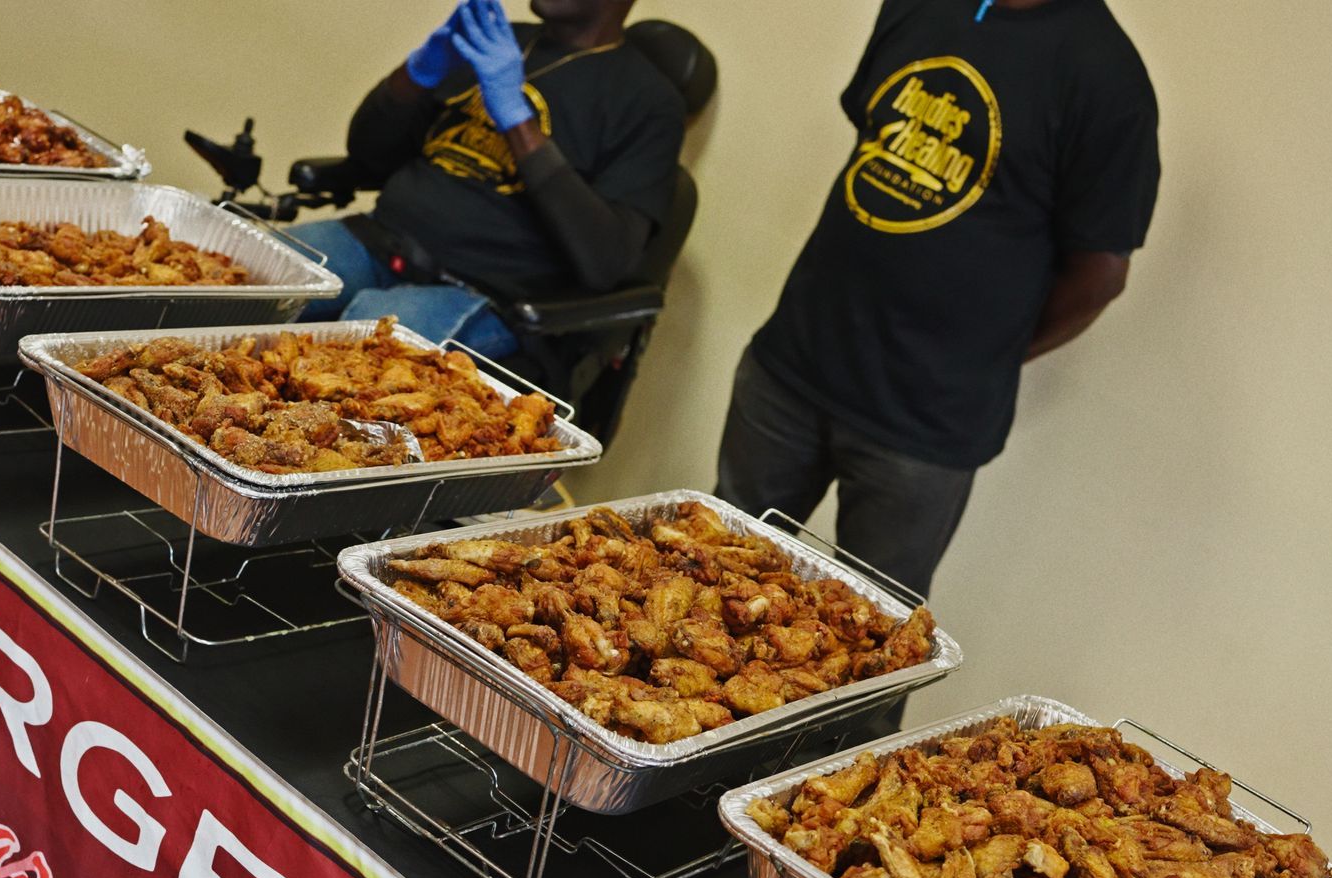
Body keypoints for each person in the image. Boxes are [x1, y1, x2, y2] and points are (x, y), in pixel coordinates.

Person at [716, 0, 1160, 601]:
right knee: (700, 582)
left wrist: (984, 355)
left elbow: (1100, 274)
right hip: (792, 366)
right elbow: (875, 145)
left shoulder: (1108, 77)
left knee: (869, 654)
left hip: (922, 428)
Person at [291, 0, 686, 358]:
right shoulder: (500, 39)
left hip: (479, 293)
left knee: (354, 353)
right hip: (377, 241)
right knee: (241, 284)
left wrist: (517, 121)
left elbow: (606, 261)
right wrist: (417, 73)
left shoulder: (649, 103)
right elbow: (369, 155)